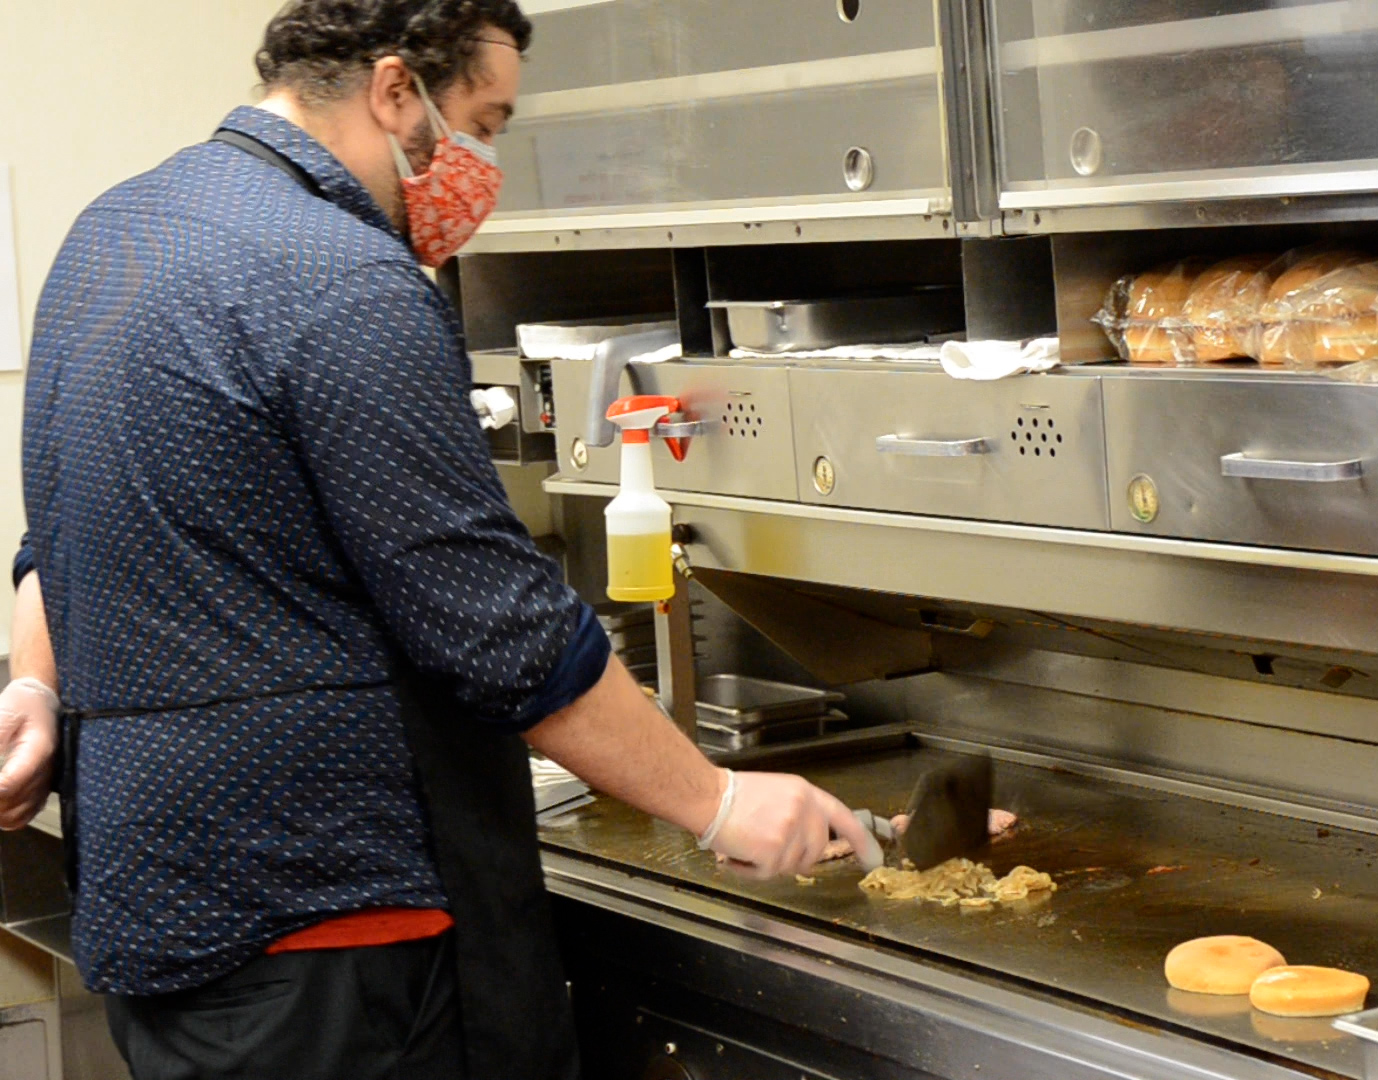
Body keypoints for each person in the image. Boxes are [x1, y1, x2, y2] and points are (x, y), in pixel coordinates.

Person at [0, 2, 877, 1077]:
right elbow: (497, 631)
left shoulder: (115, 232)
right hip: (327, 925)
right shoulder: (345, 281)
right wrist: (721, 800)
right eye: (487, 123)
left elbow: (61, 533)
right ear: (394, 92)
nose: (484, 164)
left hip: (154, 907)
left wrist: (35, 689)